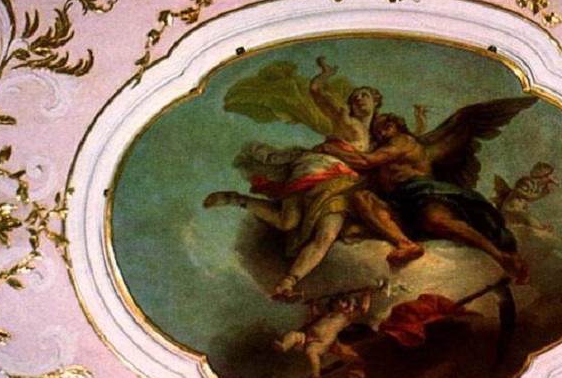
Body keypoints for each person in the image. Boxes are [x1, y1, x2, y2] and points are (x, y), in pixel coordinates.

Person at [204, 57, 389, 300]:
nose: (359, 98)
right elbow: (316, 91)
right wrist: (324, 75)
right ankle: (235, 199)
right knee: (287, 222)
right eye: (355, 95)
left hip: (341, 183)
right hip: (315, 170)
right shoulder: (345, 118)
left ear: (376, 101)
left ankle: (287, 283)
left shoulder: (375, 139)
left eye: (364, 95)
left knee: (319, 234)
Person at [324, 112, 529, 282]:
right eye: (378, 131)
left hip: (423, 193)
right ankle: (406, 244)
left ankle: (500, 256)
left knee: (435, 219)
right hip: (400, 203)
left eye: (386, 127)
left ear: (398, 127)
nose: (382, 133)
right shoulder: (384, 152)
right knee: (363, 197)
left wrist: (330, 148)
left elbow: (365, 161)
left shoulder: (402, 141)